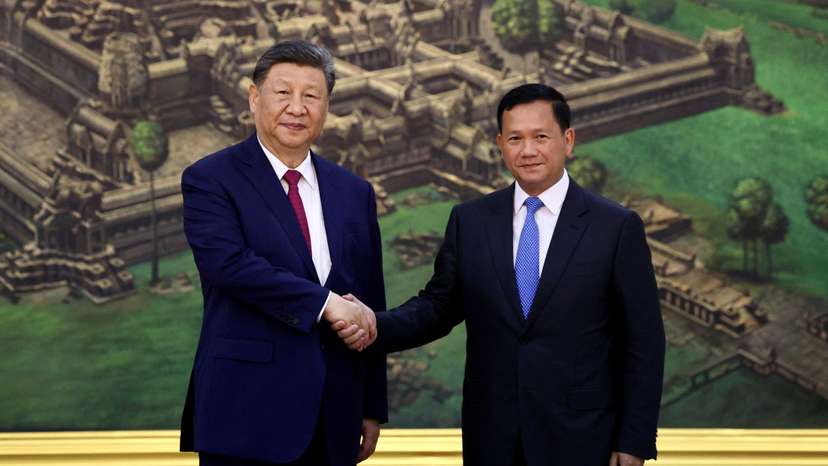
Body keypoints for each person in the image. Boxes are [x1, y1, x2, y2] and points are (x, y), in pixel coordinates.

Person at [336, 83, 665, 466]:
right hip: (493, 436)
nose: (528, 150)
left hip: (583, 438)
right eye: (515, 138)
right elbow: (437, 308)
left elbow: (644, 341)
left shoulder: (615, 227)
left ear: (568, 140)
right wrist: (372, 323)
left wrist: (634, 440)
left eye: (541, 137)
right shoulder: (471, 221)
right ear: (500, 144)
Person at [179, 40, 386, 466]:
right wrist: (325, 304)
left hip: (335, 415)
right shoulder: (210, 179)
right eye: (283, 93)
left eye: (311, 96)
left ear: (327, 106)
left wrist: (372, 404)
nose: (297, 108)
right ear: (254, 98)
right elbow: (229, 266)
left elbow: (370, 300)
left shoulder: (354, 192)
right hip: (246, 414)